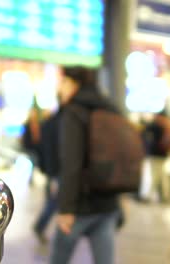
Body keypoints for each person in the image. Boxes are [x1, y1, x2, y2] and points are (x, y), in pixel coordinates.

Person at [50, 66, 120, 264]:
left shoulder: (74, 112)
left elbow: (72, 163)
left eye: (62, 83)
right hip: (107, 203)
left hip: (79, 205)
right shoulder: (110, 109)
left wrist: (66, 209)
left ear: (74, 84)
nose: (60, 88)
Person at [33, 101, 64, 245]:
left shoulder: (50, 122)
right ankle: (40, 226)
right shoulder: (58, 123)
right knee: (53, 203)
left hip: (54, 171)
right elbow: (51, 151)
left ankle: (41, 226)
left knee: (53, 202)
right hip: (57, 172)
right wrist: (52, 174)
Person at [142, 111, 170, 203]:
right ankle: (165, 196)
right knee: (162, 176)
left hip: (155, 155)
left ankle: (149, 195)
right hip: (164, 154)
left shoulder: (155, 125)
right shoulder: (168, 125)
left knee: (155, 176)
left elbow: (145, 134)